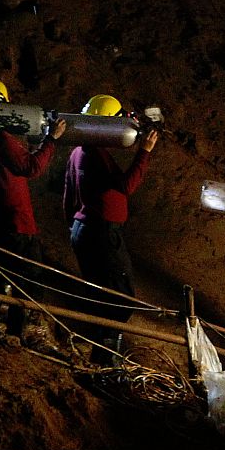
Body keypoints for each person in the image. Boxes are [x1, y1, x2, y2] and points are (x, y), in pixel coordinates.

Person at [0, 77, 67, 339]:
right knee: (27, 279)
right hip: (15, 221)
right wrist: (51, 140)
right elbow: (31, 167)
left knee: (3, 273)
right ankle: (16, 334)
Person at [62, 94, 159, 361]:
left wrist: (75, 227)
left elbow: (68, 196)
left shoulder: (78, 151)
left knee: (100, 293)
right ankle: (106, 357)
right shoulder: (96, 154)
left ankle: (101, 354)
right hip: (102, 233)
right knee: (121, 297)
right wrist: (145, 153)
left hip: (83, 229)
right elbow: (126, 186)